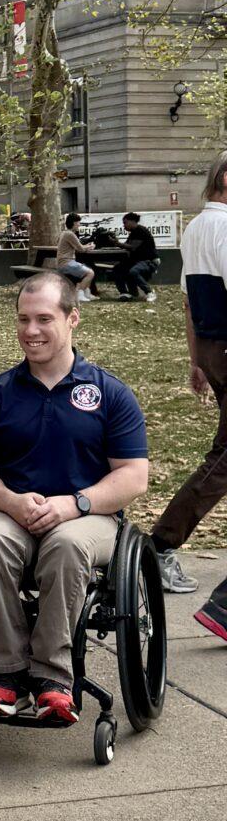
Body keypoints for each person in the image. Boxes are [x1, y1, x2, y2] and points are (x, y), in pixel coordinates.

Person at [0, 272, 148, 724]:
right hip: (17, 512)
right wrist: (10, 501)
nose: (31, 330)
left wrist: (74, 504)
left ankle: (51, 679)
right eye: (23, 319)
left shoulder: (108, 392)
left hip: (91, 517)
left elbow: (133, 477)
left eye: (44, 318)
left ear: (73, 319)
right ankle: (6, 674)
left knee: (67, 545)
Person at [150, 151, 227, 604]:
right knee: (223, 461)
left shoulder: (198, 227)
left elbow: (188, 303)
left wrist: (196, 360)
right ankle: (159, 544)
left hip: (215, 353)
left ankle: (160, 544)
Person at [116, 212, 158, 302]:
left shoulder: (141, 231)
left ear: (132, 221)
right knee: (118, 268)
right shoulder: (133, 233)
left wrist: (116, 243)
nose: (124, 226)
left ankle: (149, 292)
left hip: (148, 260)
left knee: (134, 271)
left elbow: (132, 247)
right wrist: (114, 242)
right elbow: (126, 245)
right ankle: (125, 293)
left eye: (125, 222)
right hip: (138, 260)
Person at [55, 213, 96, 303]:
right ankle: (80, 294)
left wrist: (86, 246)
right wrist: (90, 246)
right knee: (90, 273)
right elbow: (80, 249)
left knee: (87, 268)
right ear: (73, 223)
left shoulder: (64, 233)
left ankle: (87, 293)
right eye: (78, 223)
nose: (79, 225)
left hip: (63, 263)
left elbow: (78, 247)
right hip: (66, 263)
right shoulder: (70, 234)